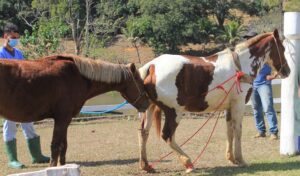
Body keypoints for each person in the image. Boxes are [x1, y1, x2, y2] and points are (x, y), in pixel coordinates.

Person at [0, 23, 50, 169]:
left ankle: (37, 156)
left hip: (23, 95)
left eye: (17, 37)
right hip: (8, 97)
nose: (15, 40)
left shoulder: (19, 54)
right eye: (13, 37)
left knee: (28, 123)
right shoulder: (0, 54)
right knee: (10, 125)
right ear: (5, 37)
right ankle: (12, 159)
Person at [243, 31, 279, 140]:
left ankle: (273, 132)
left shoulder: (265, 52)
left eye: (249, 38)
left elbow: (277, 62)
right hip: (252, 84)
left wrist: (274, 75)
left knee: (268, 107)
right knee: (256, 108)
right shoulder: (247, 54)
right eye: (247, 38)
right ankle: (261, 131)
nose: (248, 40)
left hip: (264, 84)